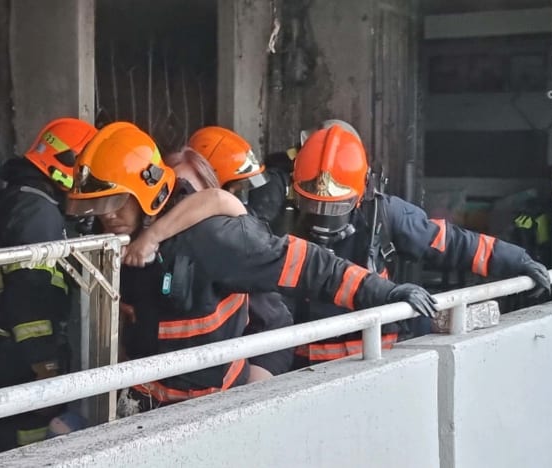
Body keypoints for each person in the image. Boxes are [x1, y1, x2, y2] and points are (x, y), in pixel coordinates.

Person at [66, 121, 437, 415]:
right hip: (142, 409)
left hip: (207, 414)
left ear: (148, 190)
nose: (107, 215)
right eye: (98, 206)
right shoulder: (114, 244)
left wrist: (386, 292)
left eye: (116, 202)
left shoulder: (214, 239)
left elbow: (313, 267)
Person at [286, 120, 551, 366]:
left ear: (363, 189)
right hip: (302, 370)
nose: (323, 215)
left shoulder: (384, 214)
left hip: (376, 362)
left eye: (335, 206)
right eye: (312, 204)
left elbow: (451, 243)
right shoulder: (279, 221)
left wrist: (517, 260)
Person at [0, 117, 95, 454]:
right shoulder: (38, 213)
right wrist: (46, 364)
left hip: (3, 346)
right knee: (27, 441)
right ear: (68, 166)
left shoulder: (24, 199)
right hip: (19, 354)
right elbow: (29, 293)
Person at [124, 145, 296, 380]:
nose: (185, 206)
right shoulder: (142, 253)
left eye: (193, 198)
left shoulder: (229, 251)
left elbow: (275, 323)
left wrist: (251, 393)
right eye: (177, 197)